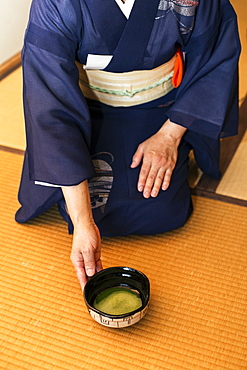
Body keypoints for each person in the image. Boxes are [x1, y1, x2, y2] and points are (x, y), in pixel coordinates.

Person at [16, 0, 240, 289]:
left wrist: (170, 137)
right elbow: (50, 103)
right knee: (92, 213)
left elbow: (216, 53)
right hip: (87, 111)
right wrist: (83, 222)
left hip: (161, 111)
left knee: (164, 212)